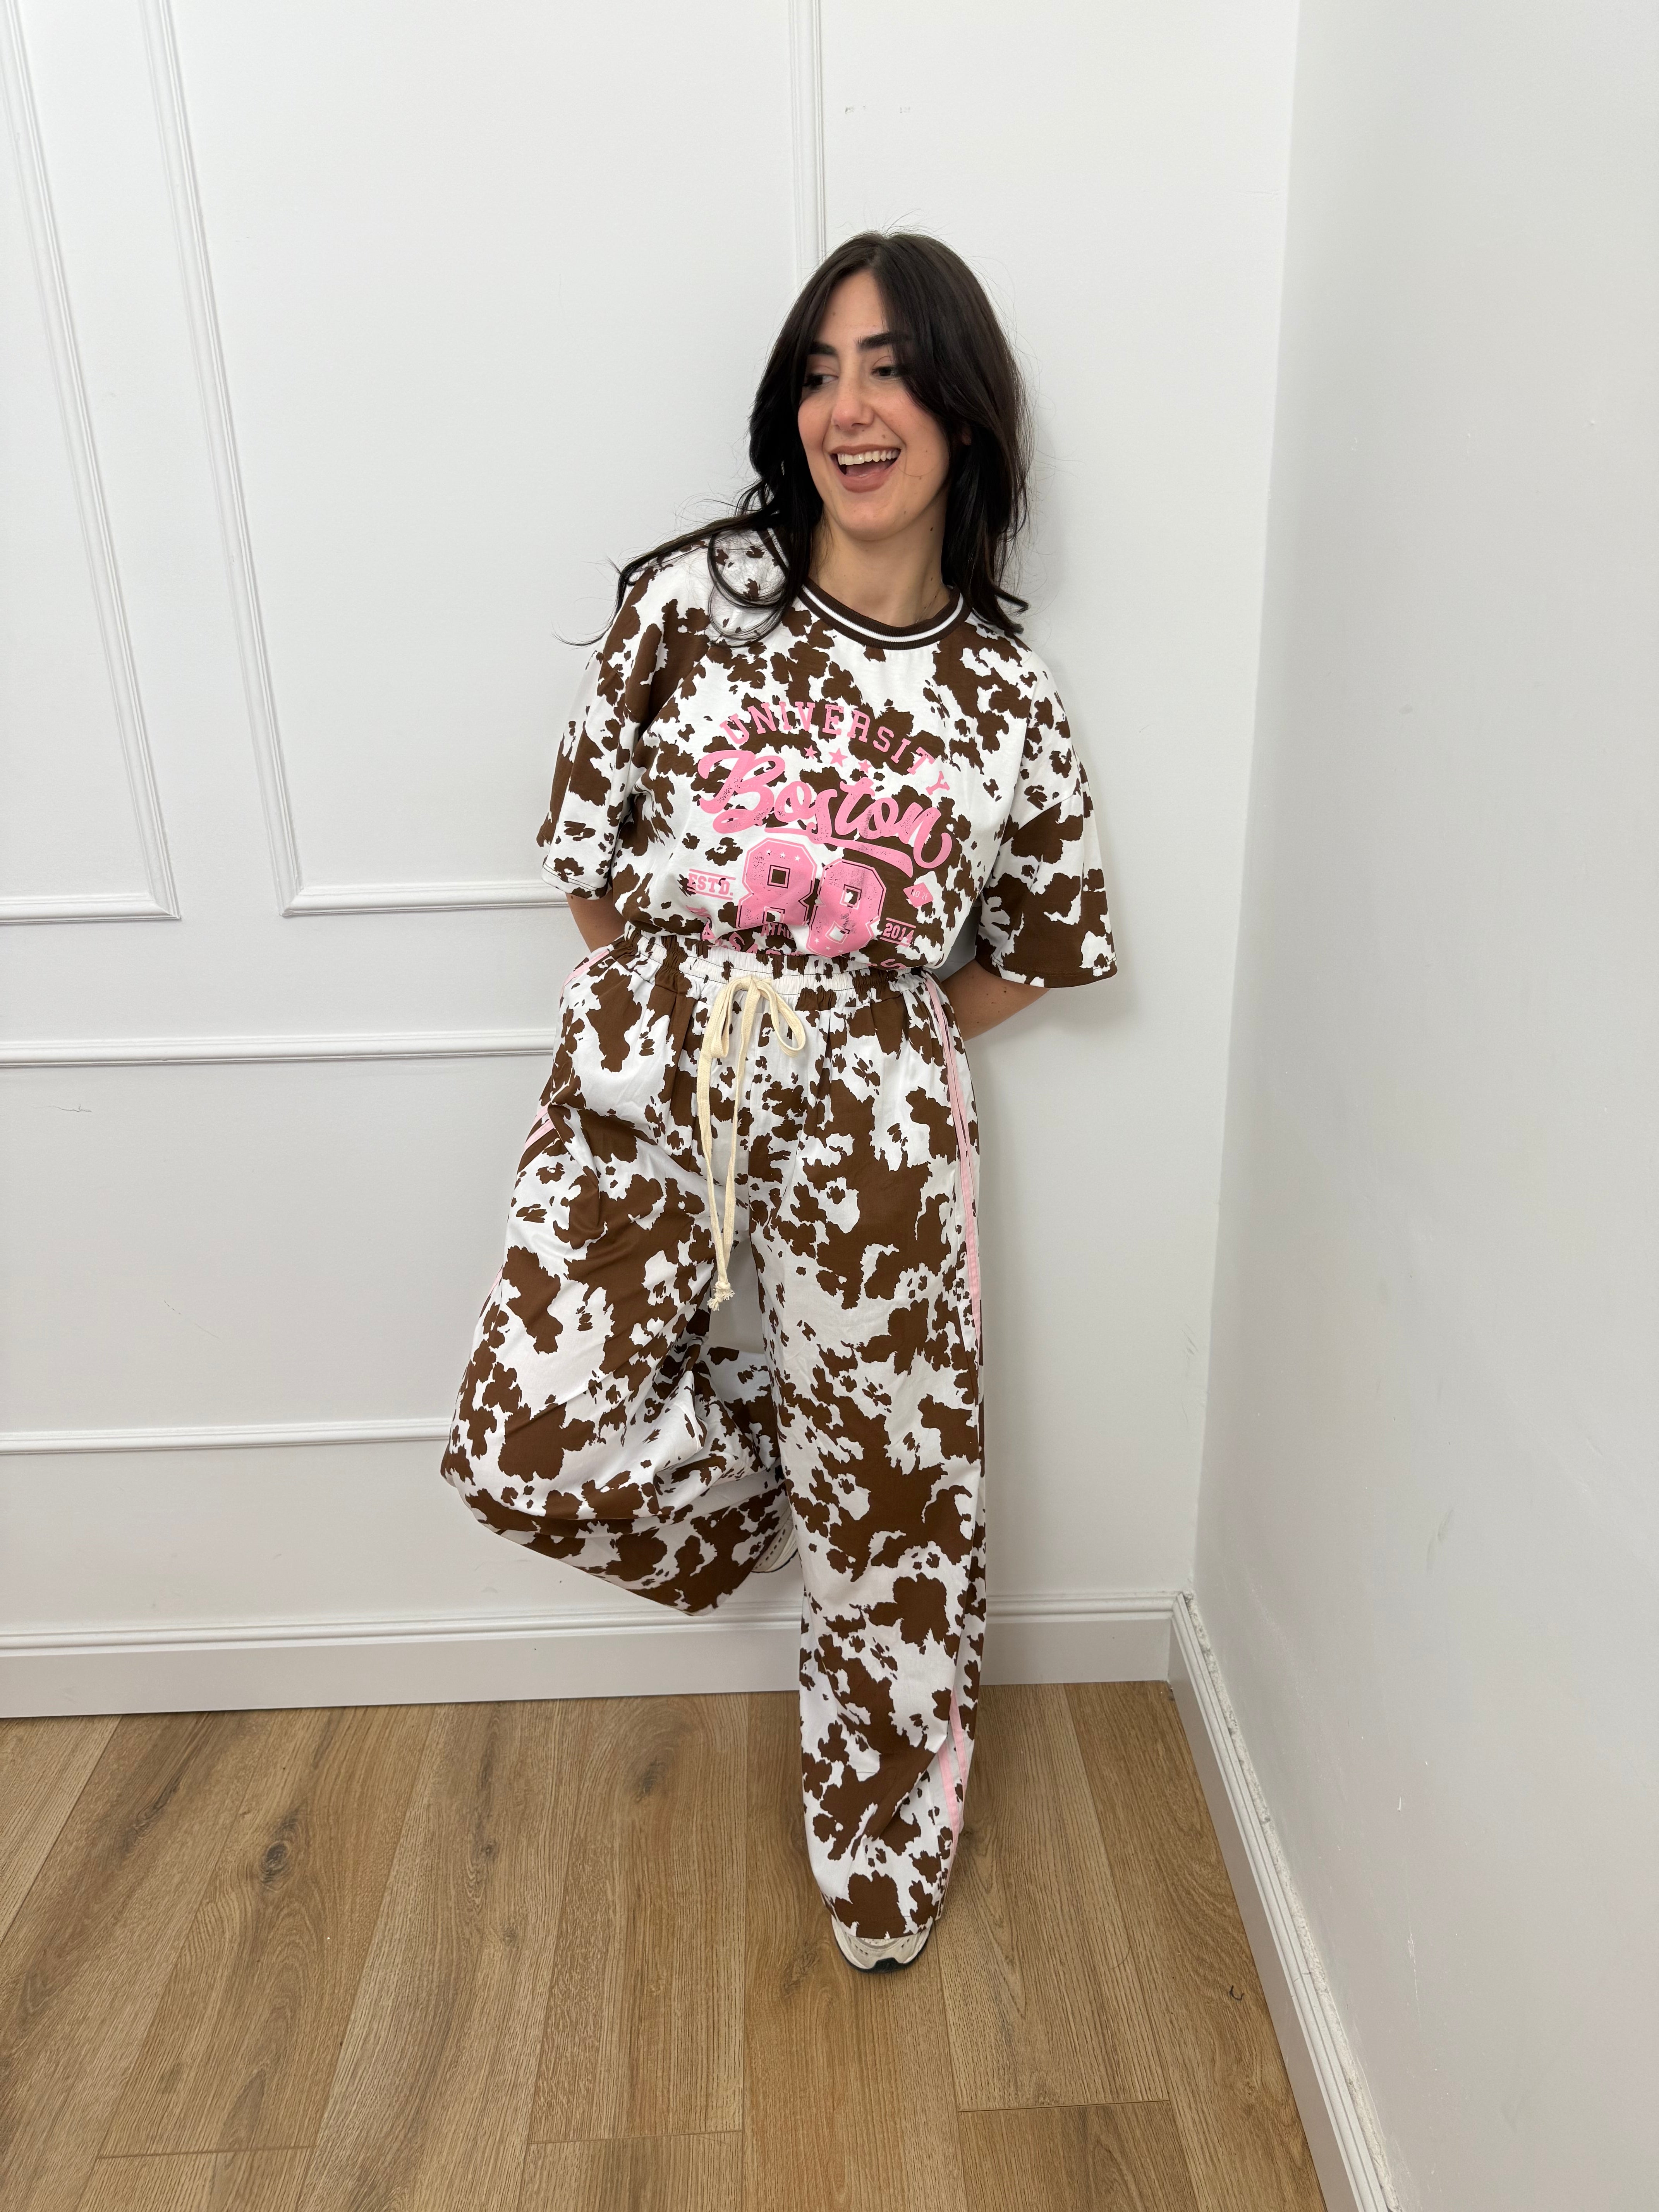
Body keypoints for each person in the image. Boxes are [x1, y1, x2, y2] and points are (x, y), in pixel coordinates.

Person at [441, 230, 1116, 1974]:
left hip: (879, 1111)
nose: (848, 409)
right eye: (819, 373)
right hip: (656, 1065)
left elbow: (1046, 946)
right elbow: (587, 848)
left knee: (899, 1513)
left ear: (962, 407)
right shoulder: (695, 604)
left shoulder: (1005, 696)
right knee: (530, 1449)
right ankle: (771, 1486)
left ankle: (884, 1845)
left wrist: (873, 1036)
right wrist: (674, 1017)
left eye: (888, 368)